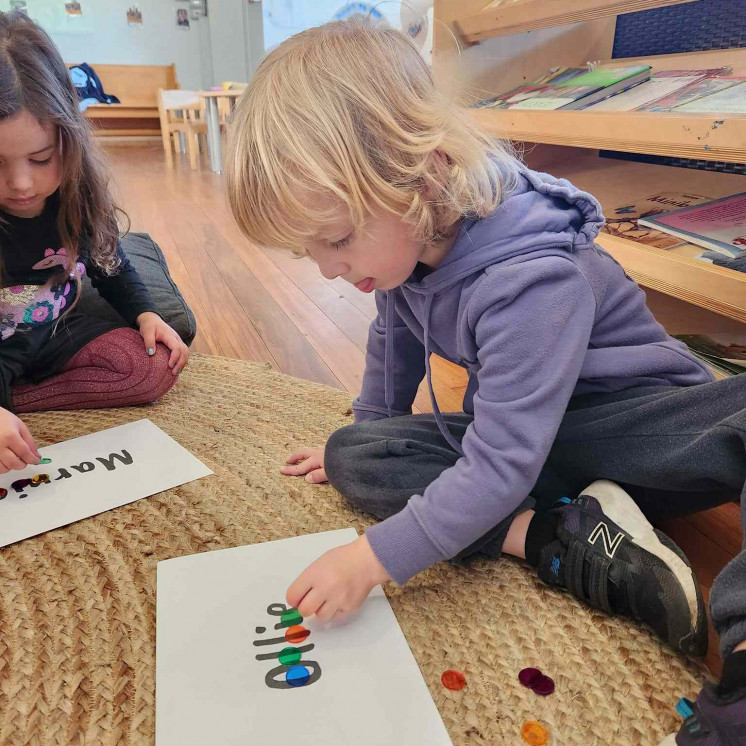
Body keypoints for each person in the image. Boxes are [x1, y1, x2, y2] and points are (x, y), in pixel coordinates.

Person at [226, 20, 746, 743]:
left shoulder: (529, 275)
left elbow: (500, 462)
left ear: (426, 173)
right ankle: (564, 538)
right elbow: (392, 349)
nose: (327, 269)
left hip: (636, 427)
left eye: (337, 239)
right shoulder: (406, 254)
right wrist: (362, 434)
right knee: (357, 453)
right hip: (545, 449)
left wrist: (375, 559)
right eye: (308, 250)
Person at [0, 11, 189, 474]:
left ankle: (15, 400)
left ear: (69, 142)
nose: (21, 184)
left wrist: (145, 314)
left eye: (41, 159)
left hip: (53, 331)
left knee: (154, 361)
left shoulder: (78, 196)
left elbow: (112, 265)